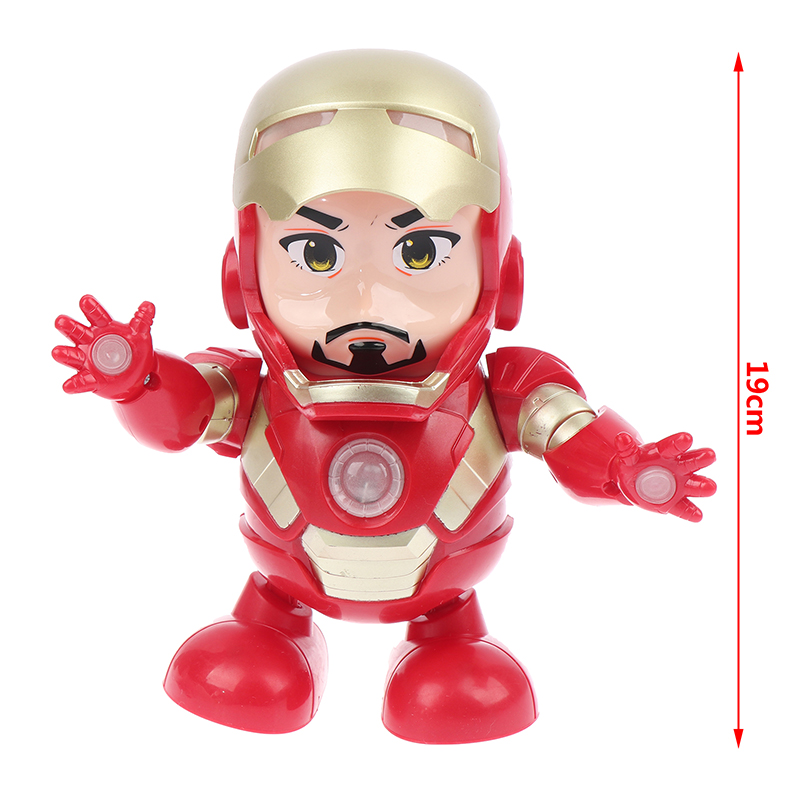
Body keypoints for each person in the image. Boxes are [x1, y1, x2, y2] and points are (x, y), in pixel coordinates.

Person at [52, 50, 716, 744]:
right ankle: (273, 631)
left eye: (420, 254)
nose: (365, 298)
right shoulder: (254, 383)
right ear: (241, 273)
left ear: (501, 273)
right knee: (244, 674)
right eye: (316, 256)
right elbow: (183, 415)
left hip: (442, 586)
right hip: (287, 576)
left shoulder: (505, 388)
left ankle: (447, 643)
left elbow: (569, 432)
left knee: (459, 692)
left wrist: (622, 468)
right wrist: (141, 382)